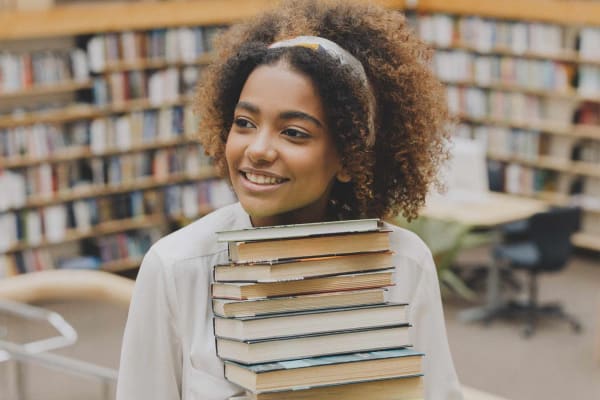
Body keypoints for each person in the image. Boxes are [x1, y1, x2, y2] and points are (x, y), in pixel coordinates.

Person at [116, 1, 463, 399]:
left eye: (294, 132)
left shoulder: (404, 264)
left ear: (348, 158)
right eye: (244, 123)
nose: (259, 149)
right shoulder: (176, 267)